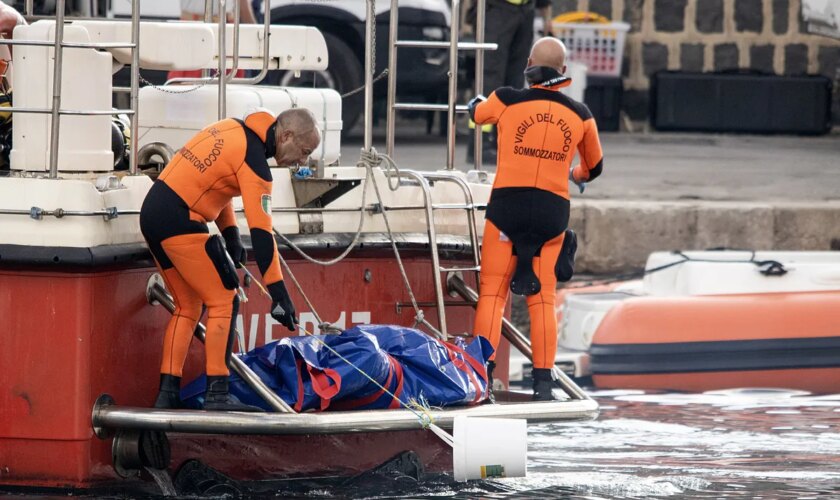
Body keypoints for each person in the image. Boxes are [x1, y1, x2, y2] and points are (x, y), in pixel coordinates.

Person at [140, 107, 321, 411]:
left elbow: (216, 183)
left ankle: (167, 395)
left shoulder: (232, 130)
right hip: (180, 219)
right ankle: (218, 394)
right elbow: (264, 236)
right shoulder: (256, 166)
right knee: (225, 299)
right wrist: (279, 294)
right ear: (286, 135)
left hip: (154, 213)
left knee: (188, 306)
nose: (303, 161)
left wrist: (231, 234)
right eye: (304, 152)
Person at [468, 37, 603, 401]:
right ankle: (543, 383)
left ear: (528, 64)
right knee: (543, 298)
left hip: (506, 207)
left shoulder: (507, 98)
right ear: (563, 72)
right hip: (551, 213)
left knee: (492, 293)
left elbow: (476, 114)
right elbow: (594, 167)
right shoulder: (581, 115)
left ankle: (482, 376)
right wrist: (575, 175)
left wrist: (474, 104)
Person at [465, 0, 554, 164]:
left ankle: (506, 142)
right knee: (489, 79)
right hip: (496, 9)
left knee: (515, 81)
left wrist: (546, 15)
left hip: (525, 10)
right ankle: (479, 143)